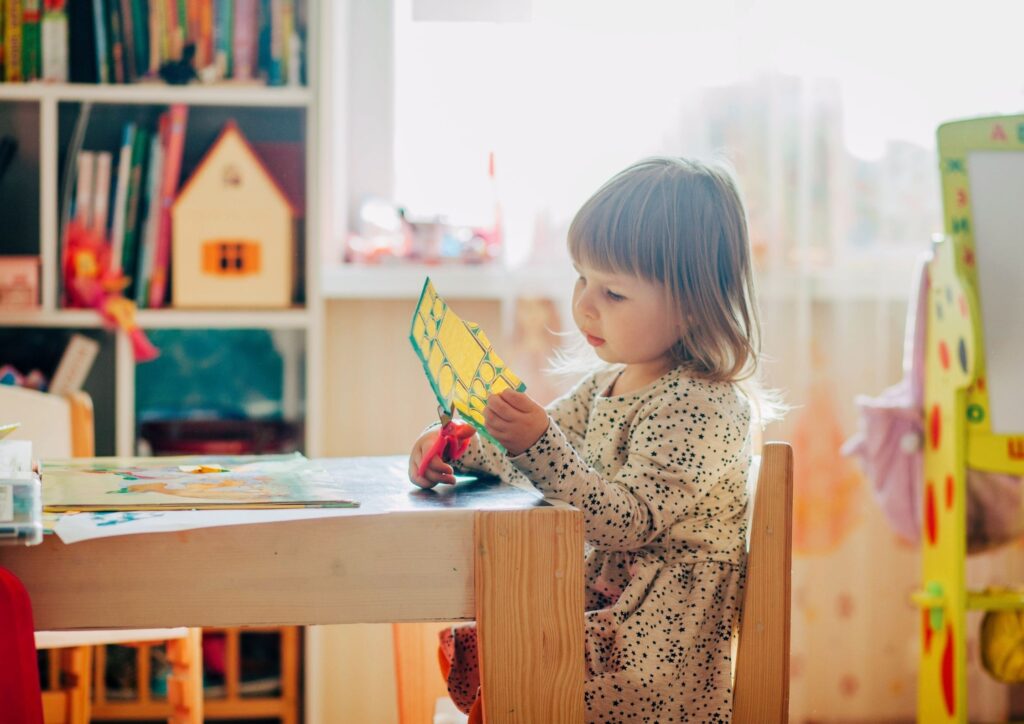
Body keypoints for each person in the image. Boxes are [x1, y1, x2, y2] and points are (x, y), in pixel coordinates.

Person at [409, 157, 774, 722]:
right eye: (582, 277)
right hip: (606, 618)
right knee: (499, 641)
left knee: (517, 661)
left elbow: (625, 521)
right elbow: (531, 457)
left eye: (614, 293)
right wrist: (459, 446)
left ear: (694, 302)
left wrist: (535, 443)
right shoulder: (606, 383)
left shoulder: (704, 405)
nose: (583, 304)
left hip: (652, 656)